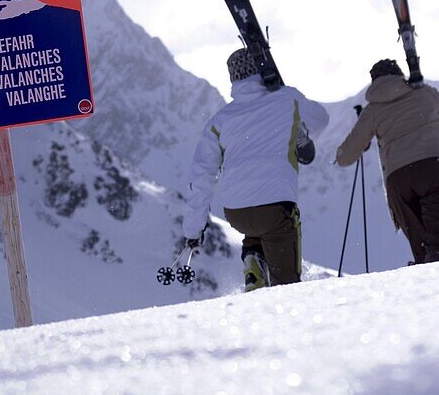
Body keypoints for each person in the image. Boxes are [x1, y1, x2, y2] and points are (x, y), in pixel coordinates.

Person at [183, 49, 329, 291]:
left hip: (236, 212)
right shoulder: (287, 98)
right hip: (275, 207)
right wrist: (300, 130)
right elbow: (321, 119)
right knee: (287, 288)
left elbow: (201, 175)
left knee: (257, 223)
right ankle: (261, 265)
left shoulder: (220, 119)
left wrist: (193, 229)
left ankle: (254, 257)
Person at [335, 59, 439, 264]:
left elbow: (345, 157)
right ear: (401, 75)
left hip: (398, 180)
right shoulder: (425, 93)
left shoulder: (372, 111)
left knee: (420, 243)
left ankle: (425, 267)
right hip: (432, 167)